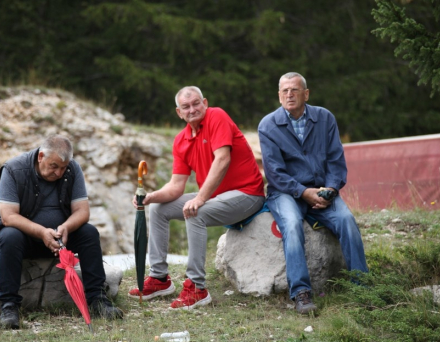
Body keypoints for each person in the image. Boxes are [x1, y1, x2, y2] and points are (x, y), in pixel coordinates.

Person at [128, 86, 265, 310]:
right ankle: (160, 278)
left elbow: (222, 159)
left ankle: (197, 288)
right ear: (178, 112)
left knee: (195, 211)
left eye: (195, 104)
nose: (192, 110)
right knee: (158, 209)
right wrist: (150, 197)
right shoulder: (181, 140)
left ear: (205, 103)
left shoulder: (217, 116)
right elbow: (175, 186)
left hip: (247, 193)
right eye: (186, 107)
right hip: (217, 196)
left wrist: (200, 198)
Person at [0, 135, 123, 329]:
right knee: (8, 235)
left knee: (89, 233)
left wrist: (66, 227)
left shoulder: (73, 169)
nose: (59, 173)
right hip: (26, 239)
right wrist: (42, 232)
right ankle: (9, 307)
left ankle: (98, 300)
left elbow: (82, 211)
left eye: (63, 167)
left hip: (61, 238)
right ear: (41, 156)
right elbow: (8, 216)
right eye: (54, 166)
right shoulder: (14, 170)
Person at [258, 72, 368, 314]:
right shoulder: (268, 125)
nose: (289, 94)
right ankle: (301, 294)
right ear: (278, 95)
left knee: (347, 221)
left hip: (322, 189)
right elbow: (274, 173)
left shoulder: (324, 118)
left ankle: (364, 288)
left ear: (306, 94)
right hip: (285, 193)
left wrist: (330, 189)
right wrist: (303, 192)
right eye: (285, 91)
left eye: (294, 90)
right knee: (292, 224)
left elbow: (336, 161)